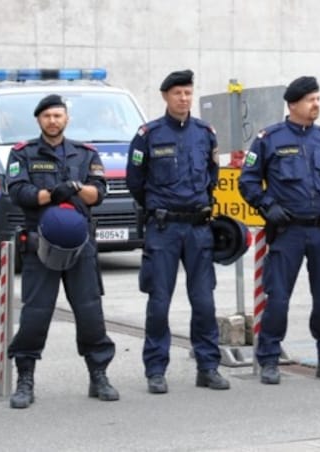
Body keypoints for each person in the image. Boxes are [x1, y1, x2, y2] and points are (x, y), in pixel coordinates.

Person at [238, 76, 320, 385]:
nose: (316, 105)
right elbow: (248, 181)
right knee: (278, 299)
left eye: (318, 99)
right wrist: (267, 205)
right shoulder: (268, 139)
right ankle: (269, 359)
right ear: (293, 104)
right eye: (311, 100)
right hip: (288, 232)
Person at [5, 94, 119, 407]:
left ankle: (99, 374)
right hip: (40, 244)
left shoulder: (85, 154)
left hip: (80, 245)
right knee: (36, 313)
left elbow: (99, 193)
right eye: (47, 116)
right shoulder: (23, 154)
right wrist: (51, 194)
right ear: (39, 120)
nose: (52, 121)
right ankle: (25, 378)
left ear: (66, 119)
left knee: (89, 311)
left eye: (58, 115)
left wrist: (77, 188)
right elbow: (18, 192)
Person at [126, 69, 230, 394]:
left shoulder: (205, 133)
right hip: (164, 228)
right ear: (165, 96)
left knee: (204, 303)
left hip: (199, 229)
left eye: (188, 93)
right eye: (177, 94)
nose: (184, 99)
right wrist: (159, 207)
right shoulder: (148, 134)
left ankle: (208, 367)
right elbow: (135, 181)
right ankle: (156, 370)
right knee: (159, 302)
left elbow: (213, 175)